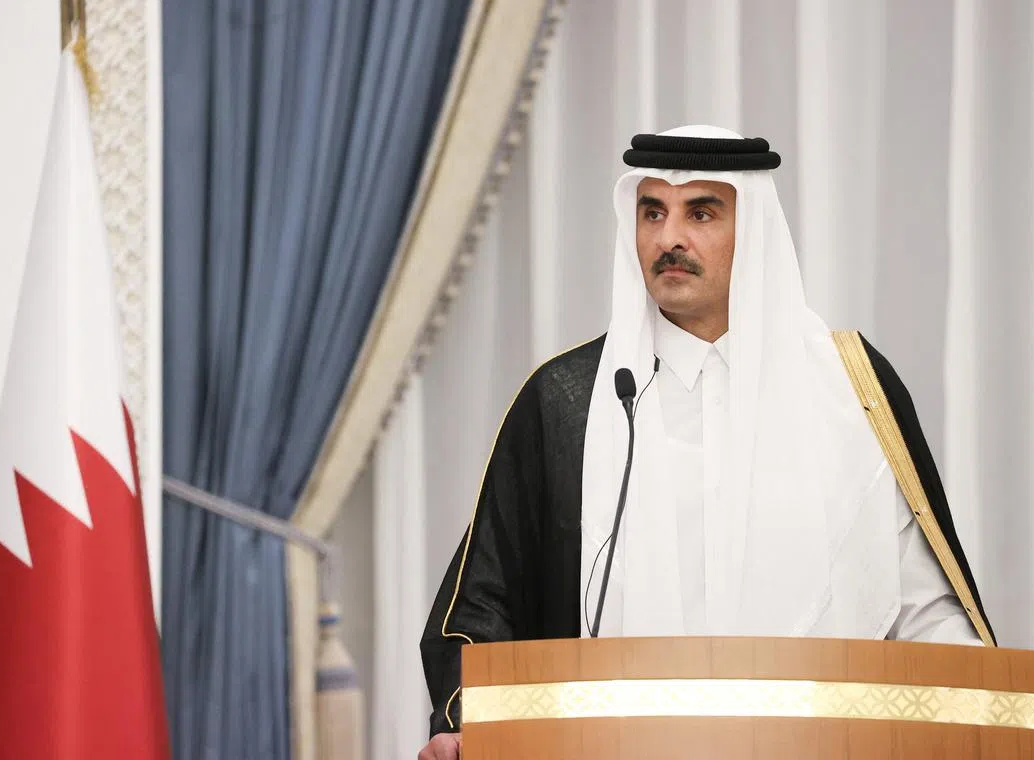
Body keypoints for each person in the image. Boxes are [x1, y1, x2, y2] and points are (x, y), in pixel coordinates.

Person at [416, 125, 994, 760]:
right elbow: (484, 600)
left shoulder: (851, 389)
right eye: (652, 212)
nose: (669, 238)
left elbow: (923, 608)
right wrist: (468, 722)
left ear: (755, 230)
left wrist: (977, 718)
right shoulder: (570, 400)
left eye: (701, 213)